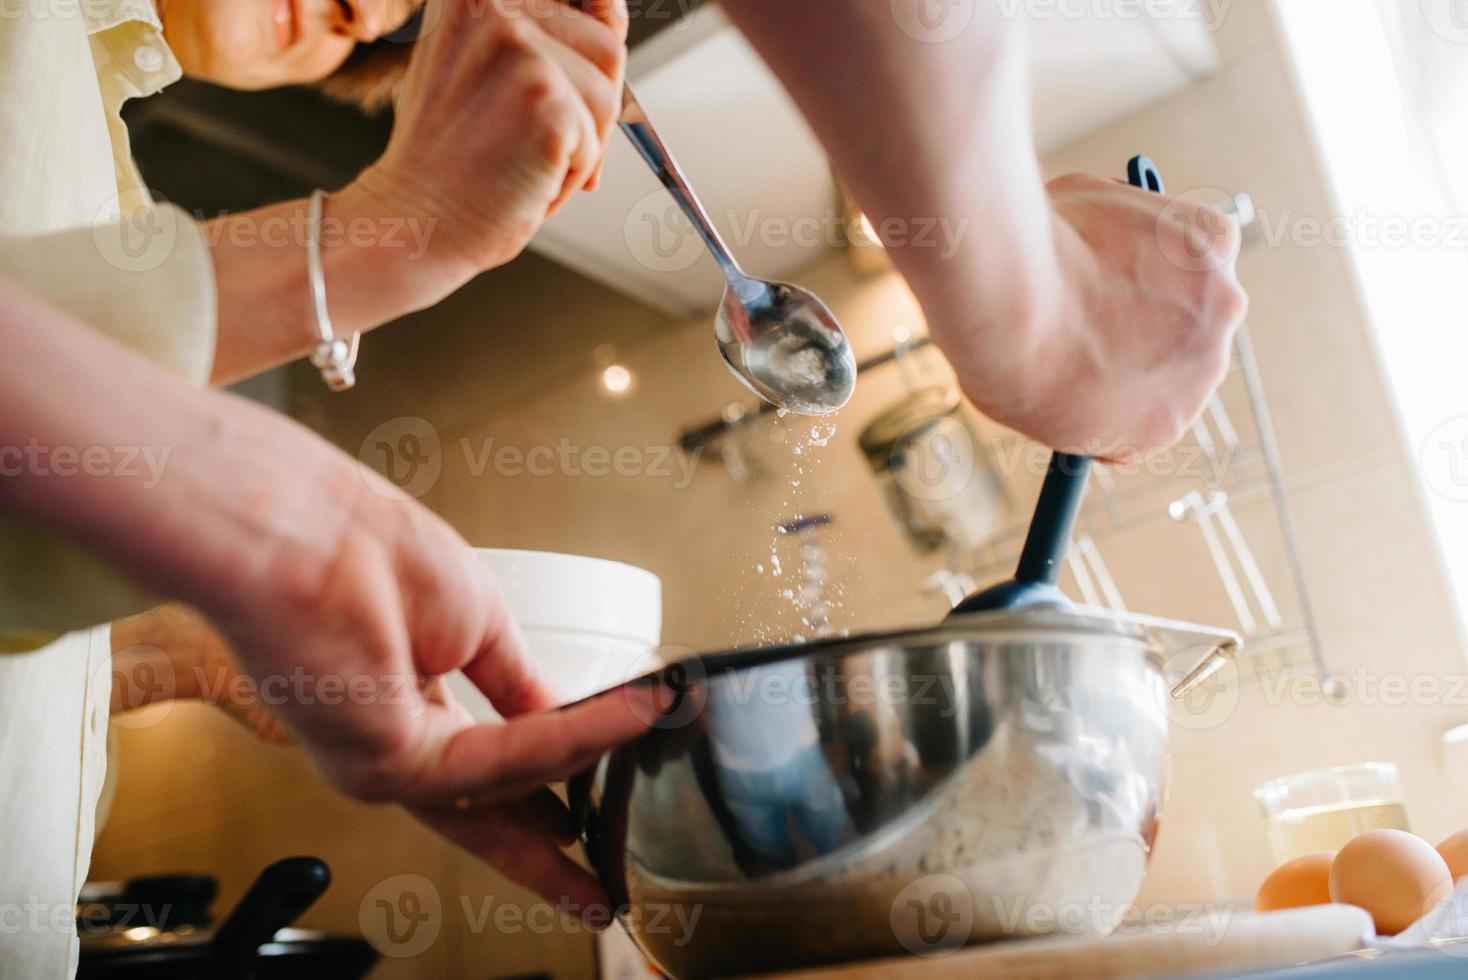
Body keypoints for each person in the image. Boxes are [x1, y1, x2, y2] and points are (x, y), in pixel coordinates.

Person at [1, 1, 1247, 977]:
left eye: (400, 19)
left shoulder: (92, 141)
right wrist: (1028, 311)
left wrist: (187, 640)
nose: (369, 15)